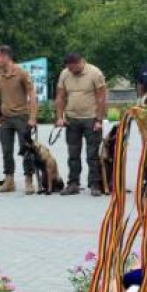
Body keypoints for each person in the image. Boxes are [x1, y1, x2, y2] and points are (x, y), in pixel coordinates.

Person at [55, 52, 107, 196]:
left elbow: (102, 97)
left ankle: (95, 184)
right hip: (72, 119)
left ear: (79, 62)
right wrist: (60, 117)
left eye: (72, 68)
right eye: (68, 68)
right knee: (73, 154)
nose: (70, 71)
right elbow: (60, 96)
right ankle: (73, 183)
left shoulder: (95, 73)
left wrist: (99, 120)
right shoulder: (65, 74)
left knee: (92, 154)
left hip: (91, 119)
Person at [0, 45, 37, 194]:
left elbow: (32, 94)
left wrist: (33, 118)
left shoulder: (21, 73)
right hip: (5, 118)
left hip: (22, 117)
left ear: (5, 57)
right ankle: (9, 180)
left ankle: (29, 181)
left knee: (26, 150)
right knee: (6, 150)